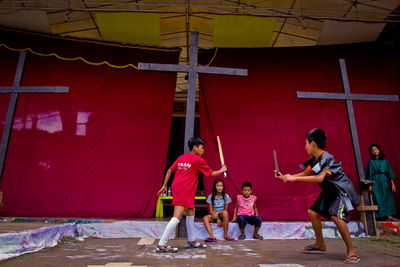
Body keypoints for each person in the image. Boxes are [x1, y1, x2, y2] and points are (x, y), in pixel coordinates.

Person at [276, 128, 360, 264]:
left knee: (336, 217)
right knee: (312, 212)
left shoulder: (327, 158)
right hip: (329, 190)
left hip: (340, 190)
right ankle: (320, 244)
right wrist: (286, 177)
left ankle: (352, 251)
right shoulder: (313, 159)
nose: (305, 146)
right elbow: (304, 174)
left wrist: (293, 179)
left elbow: (320, 178)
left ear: (313, 143)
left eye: (306, 143)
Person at [156, 137, 227, 253]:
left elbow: (169, 170)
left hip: (180, 188)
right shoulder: (198, 160)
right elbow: (211, 174)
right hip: (184, 189)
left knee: (190, 212)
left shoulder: (181, 158)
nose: (203, 150)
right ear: (195, 147)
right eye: (202, 148)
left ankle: (191, 241)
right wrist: (222, 169)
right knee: (177, 216)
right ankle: (161, 244)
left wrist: (164, 185)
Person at [365, 144, 398, 221]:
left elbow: (389, 173)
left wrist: (393, 184)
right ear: (371, 152)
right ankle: (377, 216)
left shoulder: (385, 162)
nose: (375, 151)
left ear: (379, 150)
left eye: (376, 149)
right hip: (375, 181)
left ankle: (388, 215)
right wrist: (369, 185)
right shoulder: (371, 162)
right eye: (372, 150)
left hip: (384, 181)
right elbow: (369, 174)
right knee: (376, 197)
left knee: (387, 197)